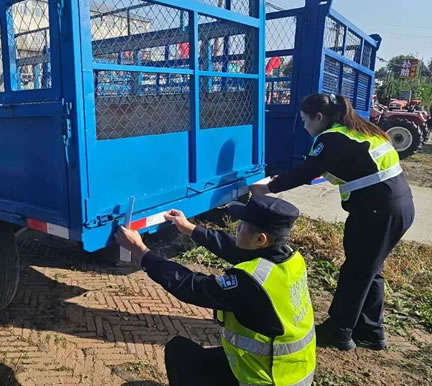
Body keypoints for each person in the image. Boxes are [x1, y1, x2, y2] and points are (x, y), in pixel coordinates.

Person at [251, 93, 415, 351]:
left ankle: (339, 330)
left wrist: (268, 187)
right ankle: (371, 331)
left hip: (376, 212)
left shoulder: (331, 138)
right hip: (397, 207)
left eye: (305, 120)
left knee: (356, 271)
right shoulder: (359, 130)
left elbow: (307, 171)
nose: (304, 126)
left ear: (319, 117)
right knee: (370, 269)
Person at [116, 195, 316, 386]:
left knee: (180, 354)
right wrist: (190, 229)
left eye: (242, 225)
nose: (237, 229)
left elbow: (191, 286)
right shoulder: (291, 259)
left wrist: (141, 251)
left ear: (260, 239)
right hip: (287, 372)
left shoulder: (250, 283)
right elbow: (233, 248)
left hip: (265, 381)